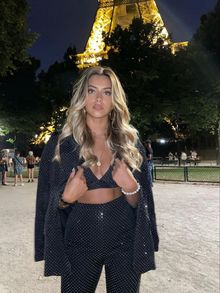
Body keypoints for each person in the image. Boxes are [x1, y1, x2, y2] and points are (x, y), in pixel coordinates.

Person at [34, 66, 159, 293]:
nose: (99, 98)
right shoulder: (61, 143)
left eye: (107, 92)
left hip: (124, 236)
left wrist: (131, 187)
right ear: (83, 95)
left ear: (115, 99)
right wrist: (65, 198)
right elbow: (46, 199)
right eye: (92, 91)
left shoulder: (130, 142)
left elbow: (142, 202)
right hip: (79, 237)